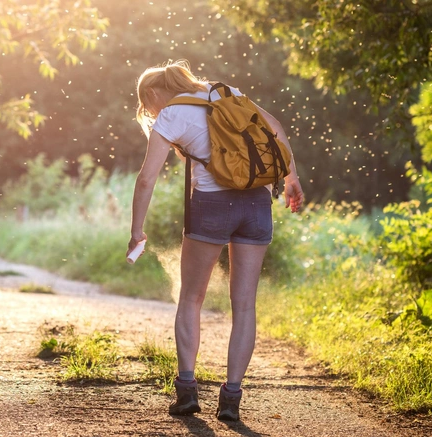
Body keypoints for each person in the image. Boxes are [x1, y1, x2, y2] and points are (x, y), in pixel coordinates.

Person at [127, 60, 304, 422]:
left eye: (148, 105)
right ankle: (231, 399)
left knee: (191, 297)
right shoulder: (226, 93)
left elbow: (147, 179)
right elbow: (276, 127)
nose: (150, 112)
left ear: (152, 95)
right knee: (245, 306)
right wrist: (291, 179)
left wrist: (136, 230)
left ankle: (188, 392)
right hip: (256, 203)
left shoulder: (172, 114)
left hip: (210, 206)